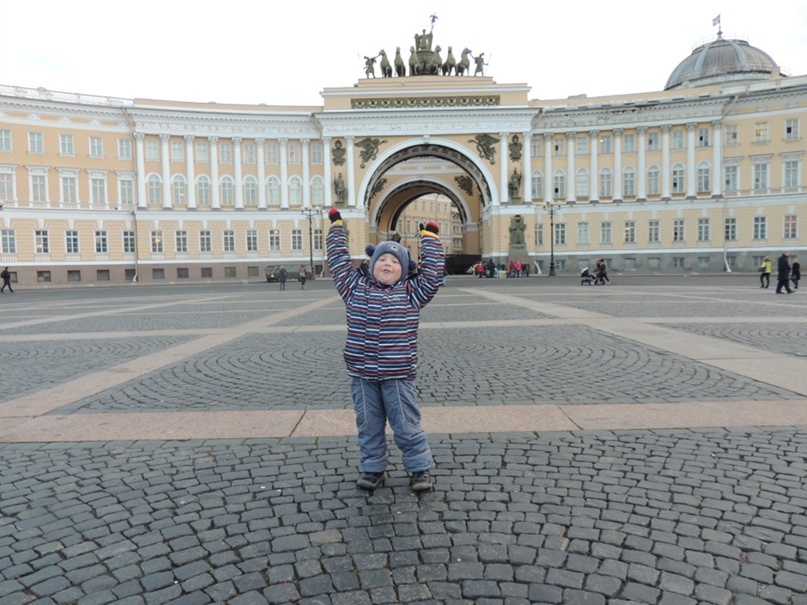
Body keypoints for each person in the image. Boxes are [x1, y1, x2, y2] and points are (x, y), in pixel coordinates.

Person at [326, 208, 443, 492]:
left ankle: (419, 469)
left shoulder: (412, 292)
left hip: (397, 374)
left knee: (405, 423)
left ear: (404, 269)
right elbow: (339, 262)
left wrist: (429, 238)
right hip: (362, 375)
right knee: (368, 424)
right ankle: (373, 468)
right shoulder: (354, 287)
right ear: (372, 264)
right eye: (382, 260)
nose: (387, 264)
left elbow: (434, 275)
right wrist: (336, 229)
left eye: (394, 260)